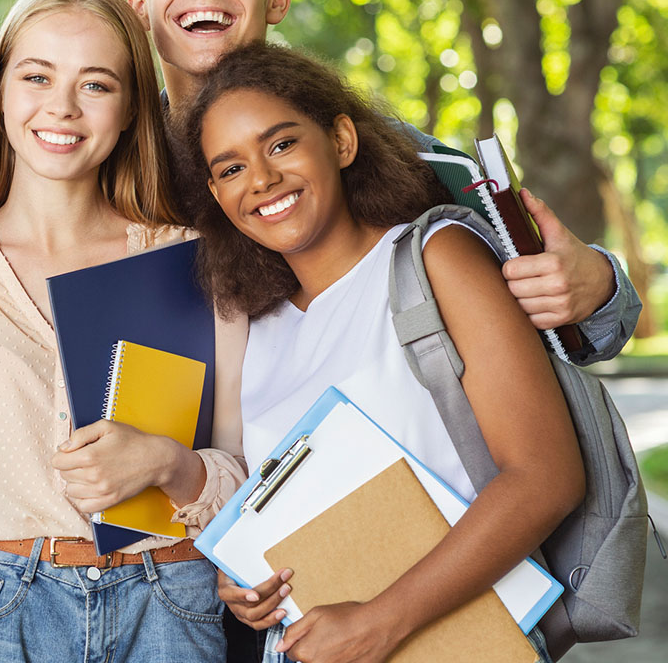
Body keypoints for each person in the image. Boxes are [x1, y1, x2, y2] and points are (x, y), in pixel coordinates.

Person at [125, 0, 641, 367]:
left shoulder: (391, 154)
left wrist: (596, 288)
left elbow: (569, 328)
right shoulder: (109, 165)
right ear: (139, 7)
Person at [184, 41, 584, 663]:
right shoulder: (256, 326)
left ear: (342, 141)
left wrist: (382, 622)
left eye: (282, 144)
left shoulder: (435, 257)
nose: (261, 179)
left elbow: (546, 477)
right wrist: (246, 584)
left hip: (456, 643)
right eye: (231, 168)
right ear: (215, 193)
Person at [0, 0, 247, 662]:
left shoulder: (196, 265)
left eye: (96, 85)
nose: (62, 108)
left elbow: (251, 472)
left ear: (130, 109)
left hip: (169, 602)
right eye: (37, 77)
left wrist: (169, 464)